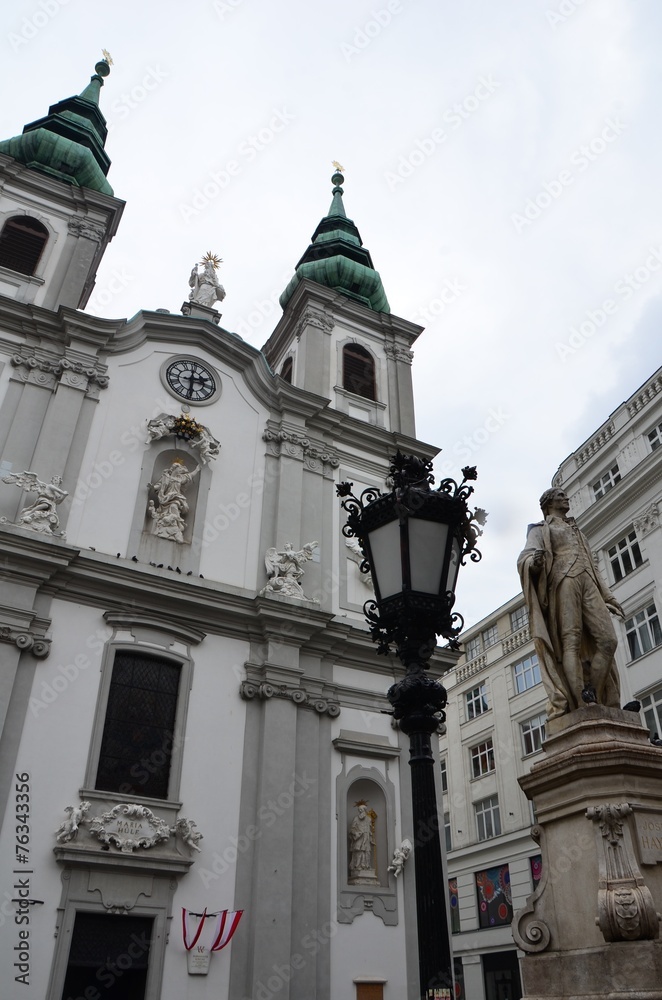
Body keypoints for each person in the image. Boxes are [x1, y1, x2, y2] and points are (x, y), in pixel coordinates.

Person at [518, 487, 622, 720]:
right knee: (570, 642)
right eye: (561, 496)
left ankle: (593, 691)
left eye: (565, 495)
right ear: (548, 503)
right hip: (563, 581)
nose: (566, 498)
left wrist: (609, 596)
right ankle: (579, 703)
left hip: (588, 581)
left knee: (608, 641)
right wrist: (534, 563)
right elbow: (525, 557)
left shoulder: (578, 532)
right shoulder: (541, 530)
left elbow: (594, 567)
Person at [349, 803, 375, 875]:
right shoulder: (356, 819)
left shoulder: (369, 819)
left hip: (366, 838)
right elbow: (352, 829)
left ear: (364, 811)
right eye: (359, 810)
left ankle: (366, 866)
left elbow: (370, 831)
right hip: (359, 838)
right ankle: (357, 866)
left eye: (361, 810)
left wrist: (371, 839)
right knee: (359, 852)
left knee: (367, 852)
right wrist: (356, 833)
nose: (360, 812)